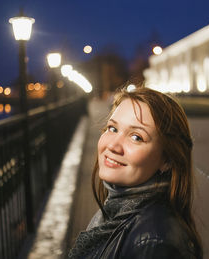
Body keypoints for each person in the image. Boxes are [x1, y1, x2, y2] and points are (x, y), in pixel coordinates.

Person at [69, 86, 202, 259]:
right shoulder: (114, 210)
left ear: (167, 160)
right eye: (112, 128)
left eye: (136, 137)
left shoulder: (153, 243)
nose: (113, 146)